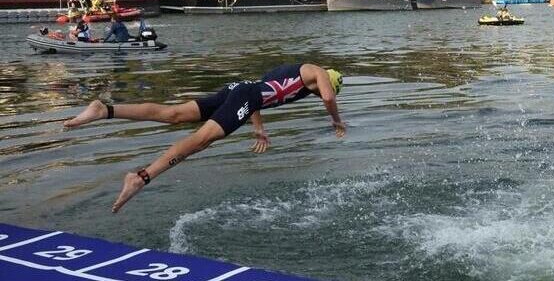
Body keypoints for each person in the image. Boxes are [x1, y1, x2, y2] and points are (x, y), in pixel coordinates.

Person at [63, 63, 345, 213]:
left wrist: (258, 128)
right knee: (201, 140)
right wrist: (336, 121)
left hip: (238, 90)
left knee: (173, 114)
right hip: (244, 95)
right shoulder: (316, 71)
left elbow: (256, 92)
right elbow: (330, 97)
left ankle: (105, 110)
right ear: (329, 80)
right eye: (321, 90)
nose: (320, 94)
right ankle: (141, 177)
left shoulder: (293, 75)